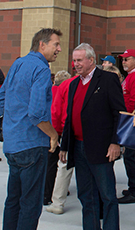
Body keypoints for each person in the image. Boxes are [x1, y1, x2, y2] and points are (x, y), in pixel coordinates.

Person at [0, 28, 62, 230]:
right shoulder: (41, 69)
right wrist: (53, 135)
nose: (59, 49)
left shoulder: (19, 63)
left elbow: (0, 101)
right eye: (56, 44)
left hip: (13, 144)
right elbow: (36, 113)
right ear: (42, 45)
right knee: (30, 205)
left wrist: (14, 122)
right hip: (32, 145)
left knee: (13, 201)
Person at [59, 43, 126, 230]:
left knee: (107, 196)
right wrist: (65, 146)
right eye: (74, 60)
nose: (76, 64)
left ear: (91, 60)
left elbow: (119, 113)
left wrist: (115, 142)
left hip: (101, 148)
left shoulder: (107, 80)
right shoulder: (73, 84)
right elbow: (70, 116)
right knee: (86, 196)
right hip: (79, 148)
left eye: (79, 60)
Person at [45, 70, 76, 214]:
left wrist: (55, 134)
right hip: (75, 131)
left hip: (66, 131)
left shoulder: (65, 86)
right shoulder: (69, 85)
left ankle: (57, 201)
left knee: (63, 166)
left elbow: (55, 111)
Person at [119, 48, 135, 204]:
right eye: (122, 59)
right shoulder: (131, 76)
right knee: (130, 157)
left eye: (127, 59)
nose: (123, 62)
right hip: (128, 120)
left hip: (132, 122)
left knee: (131, 157)